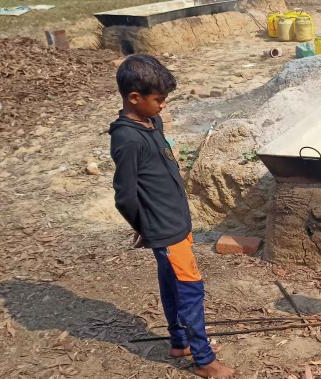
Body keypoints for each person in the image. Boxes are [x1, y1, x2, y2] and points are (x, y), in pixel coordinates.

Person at [109, 54, 235, 379]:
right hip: (164, 229)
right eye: (158, 100)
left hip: (175, 223)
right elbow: (124, 195)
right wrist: (144, 226)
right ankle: (204, 360)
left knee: (171, 283)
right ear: (134, 98)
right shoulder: (126, 139)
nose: (163, 106)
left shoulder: (151, 123)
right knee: (190, 289)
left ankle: (180, 342)